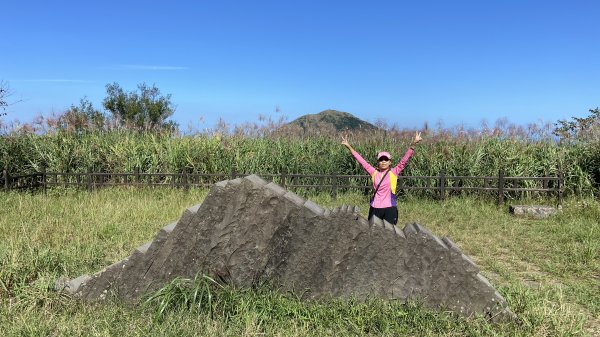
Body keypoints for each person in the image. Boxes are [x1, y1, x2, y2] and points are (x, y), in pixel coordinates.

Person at [341, 131, 422, 225]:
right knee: (373, 234)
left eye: (386, 159)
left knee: (389, 235)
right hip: (375, 207)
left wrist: (413, 144)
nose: (383, 162)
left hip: (389, 208)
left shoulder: (394, 172)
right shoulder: (374, 173)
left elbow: (404, 160)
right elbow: (361, 161)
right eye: (381, 160)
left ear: (390, 162)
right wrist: (349, 147)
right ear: (378, 162)